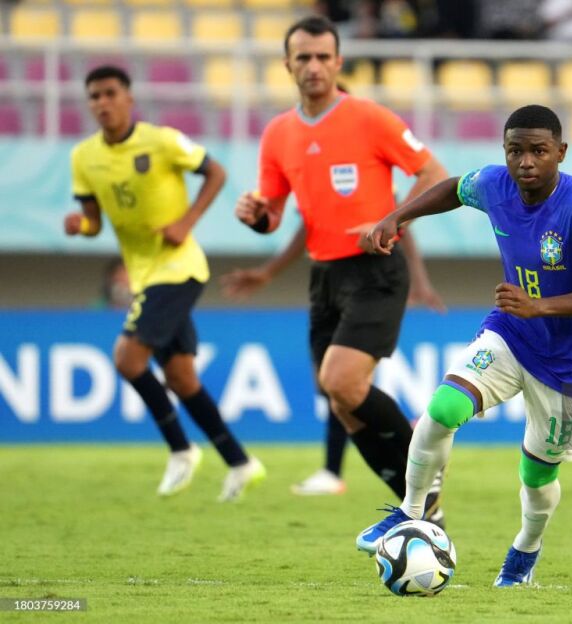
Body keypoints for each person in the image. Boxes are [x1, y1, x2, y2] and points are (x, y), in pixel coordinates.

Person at [356, 105, 572, 588]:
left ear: (560, 152)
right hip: (510, 332)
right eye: (515, 151)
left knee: (537, 479)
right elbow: (452, 189)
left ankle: (525, 549)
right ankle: (409, 512)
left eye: (538, 151)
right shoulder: (494, 184)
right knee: (443, 409)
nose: (526, 162)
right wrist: (398, 217)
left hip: (565, 362)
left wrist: (538, 306)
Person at [234, 16, 448, 518]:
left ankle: (425, 452)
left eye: (322, 57)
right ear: (288, 65)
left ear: (338, 62)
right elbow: (273, 214)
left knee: (342, 381)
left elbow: (433, 173)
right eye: (303, 57)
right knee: (342, 402)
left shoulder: (370, 118)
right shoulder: (278, 133)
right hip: (324, 275)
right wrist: (255, 215)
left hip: (375, 268)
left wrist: (391, 220)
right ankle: (420, 509)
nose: (313, 66)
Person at [64, 66, 265, 501]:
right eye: (94, 96)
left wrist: (186, 222)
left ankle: (180, 449)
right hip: (144, 274)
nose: (102, 102)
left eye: (110, 93)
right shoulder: (83, 157)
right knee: (181, 378)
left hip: (178, 268)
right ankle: (240, 461)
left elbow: (216, 172)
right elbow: (94, 222)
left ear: (129, 98)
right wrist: (81, 225)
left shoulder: (162, 141)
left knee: (127, 359)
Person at [221, 221, 445, 496]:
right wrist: (268, 270)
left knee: (342, 382)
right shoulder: (307, 196)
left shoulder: (376, 194)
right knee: (333, 387)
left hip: (370, 275)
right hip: (325, 278)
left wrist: (419, 279)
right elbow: (309, 224)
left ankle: (415, 459)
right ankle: (414, 501)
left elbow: (401, 218)